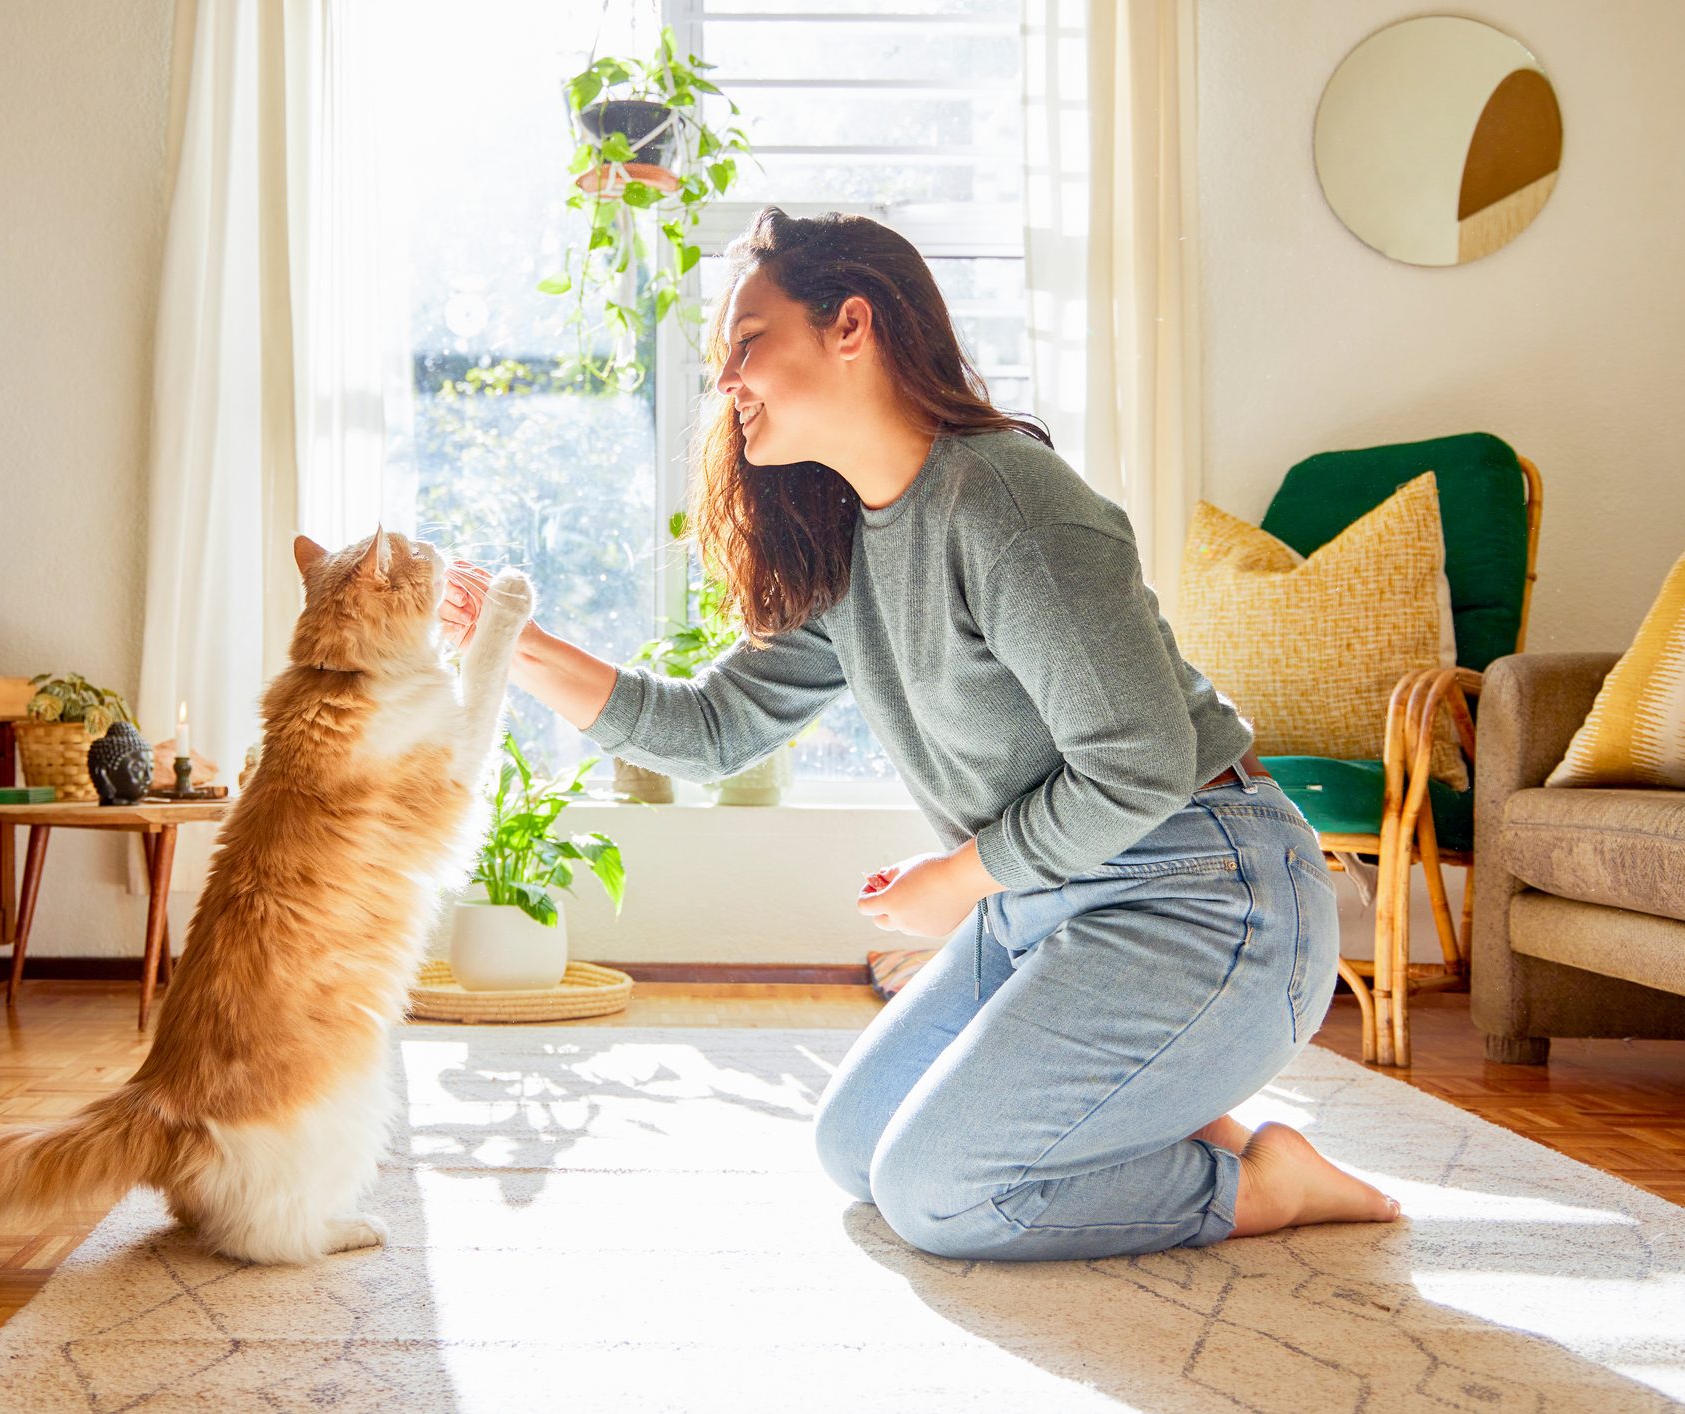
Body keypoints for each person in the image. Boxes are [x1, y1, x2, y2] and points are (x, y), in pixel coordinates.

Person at [438, 207, 1398, 1260]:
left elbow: (1142, 764)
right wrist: (511, 643)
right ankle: (1163, 1102)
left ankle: (1267, 1181)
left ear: (849, 327)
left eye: (746, 343)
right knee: (855, 1151)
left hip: (1210, 897)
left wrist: (962, 875)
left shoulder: (1009, 502)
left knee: (942, 1192)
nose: (725, 382)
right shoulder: (847, 546)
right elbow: (710, 732)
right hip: (1047, 910)